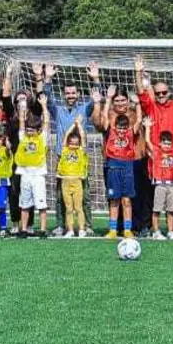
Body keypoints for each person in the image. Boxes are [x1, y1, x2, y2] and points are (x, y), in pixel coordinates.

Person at [40, 61, 102, 234]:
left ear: (78, 93)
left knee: (85, 195)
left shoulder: (84, 108)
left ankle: (87, 226)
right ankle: (61, 226)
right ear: (64, 95)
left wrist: (96, 79)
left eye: (73, 92)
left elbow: (96, 98)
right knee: (60, 195)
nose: (71, 95)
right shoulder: (57, 110)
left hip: (80, 159)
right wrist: (48, 78)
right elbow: (46, 96)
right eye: (67, 93)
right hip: (62, 159)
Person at [99, 91, 138, 239]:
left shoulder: (130, 133)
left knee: (126, 200)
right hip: (113, 169)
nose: (121, 130)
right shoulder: (111, 131)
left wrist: (137, 104)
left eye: (124, 128)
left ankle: (128, 229)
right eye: (119, 128)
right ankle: (113, 230)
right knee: (114, 200)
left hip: (127, 169)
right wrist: (108, 99)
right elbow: (104, 118)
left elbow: (139, 119)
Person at [14, 97, 51, 237]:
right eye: (28, 129)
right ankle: (23, 229)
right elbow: (22, 123)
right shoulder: (23, 137)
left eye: (32, 130)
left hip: (38, 176)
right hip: (25, 175)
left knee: (41, 204)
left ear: (38, 130)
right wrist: (22, 111)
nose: (29, 132)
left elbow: (46, 121)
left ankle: (42, 229)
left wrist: (44, 106)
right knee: (24, 204)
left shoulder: (42, 138)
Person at [55, 119, 89, 237]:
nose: (74, 145)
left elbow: (83, 138)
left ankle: (81, 229)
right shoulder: (65, 150)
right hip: (65, 181)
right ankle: (70, 229)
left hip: (77, 181)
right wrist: (72, 125)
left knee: (78, 207)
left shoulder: (80, 151)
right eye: (72, 143)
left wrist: (78, 125)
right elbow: (65, 137)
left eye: (76, 143)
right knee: (68, 208)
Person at [149, 128, 173, 239]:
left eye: (169, 143)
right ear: (160, 143)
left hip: (172, 185)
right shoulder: (157, 152)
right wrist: (148, 127)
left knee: (171, 210)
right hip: (160, 185)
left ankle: (170, 231)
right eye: (164, 143)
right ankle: (156, 231)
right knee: (157, 209)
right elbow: (148, 142)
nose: (167, 145)